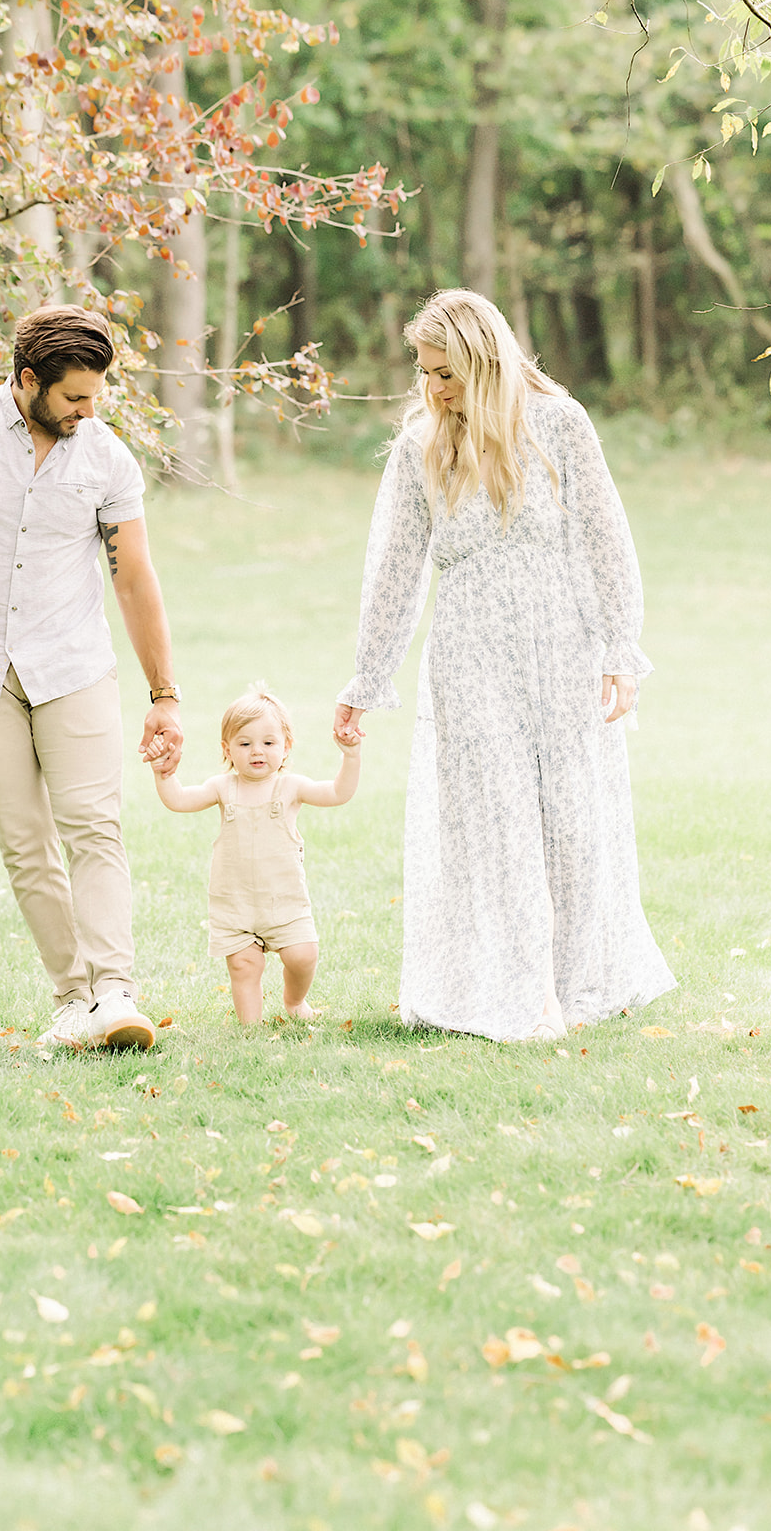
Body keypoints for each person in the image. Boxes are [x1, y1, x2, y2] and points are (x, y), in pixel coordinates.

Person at [334, 289, 675, 1043]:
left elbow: (603, 538)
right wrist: (367, 677)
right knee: (497, 823)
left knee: (570, 820)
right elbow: (393, 569)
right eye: (423, 373)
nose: (433, 388)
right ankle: (524, 998)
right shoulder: (419, 444)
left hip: (561, 644)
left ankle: (570, 978)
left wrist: (619, 647)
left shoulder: (559, 424)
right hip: (468, 654)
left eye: (446, 371)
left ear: (486, 358)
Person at [0, 304, 183, 1050]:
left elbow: (134, 578)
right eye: (74, 397)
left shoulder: (106, 457)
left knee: (95, 828)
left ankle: (115, 993)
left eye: (96, 396)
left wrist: (164, 694)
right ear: (27, 381)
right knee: (24, 843)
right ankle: (72, 1000)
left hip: (74, 664)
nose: (89, 411)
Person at [147, 687, 361, 1023]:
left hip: (285, 902)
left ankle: (294, 1002)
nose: (256, 751)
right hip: (236, 905)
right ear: (227, 749)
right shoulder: (222, 788)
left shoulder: (290, 787)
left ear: (286, 746)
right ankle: (250, 1028)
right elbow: (179, 801)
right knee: (244, 966)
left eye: (268, 743)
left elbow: (338, 792)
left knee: (303, 956)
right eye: (245, 744)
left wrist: (350, 756)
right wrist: (164, 774)